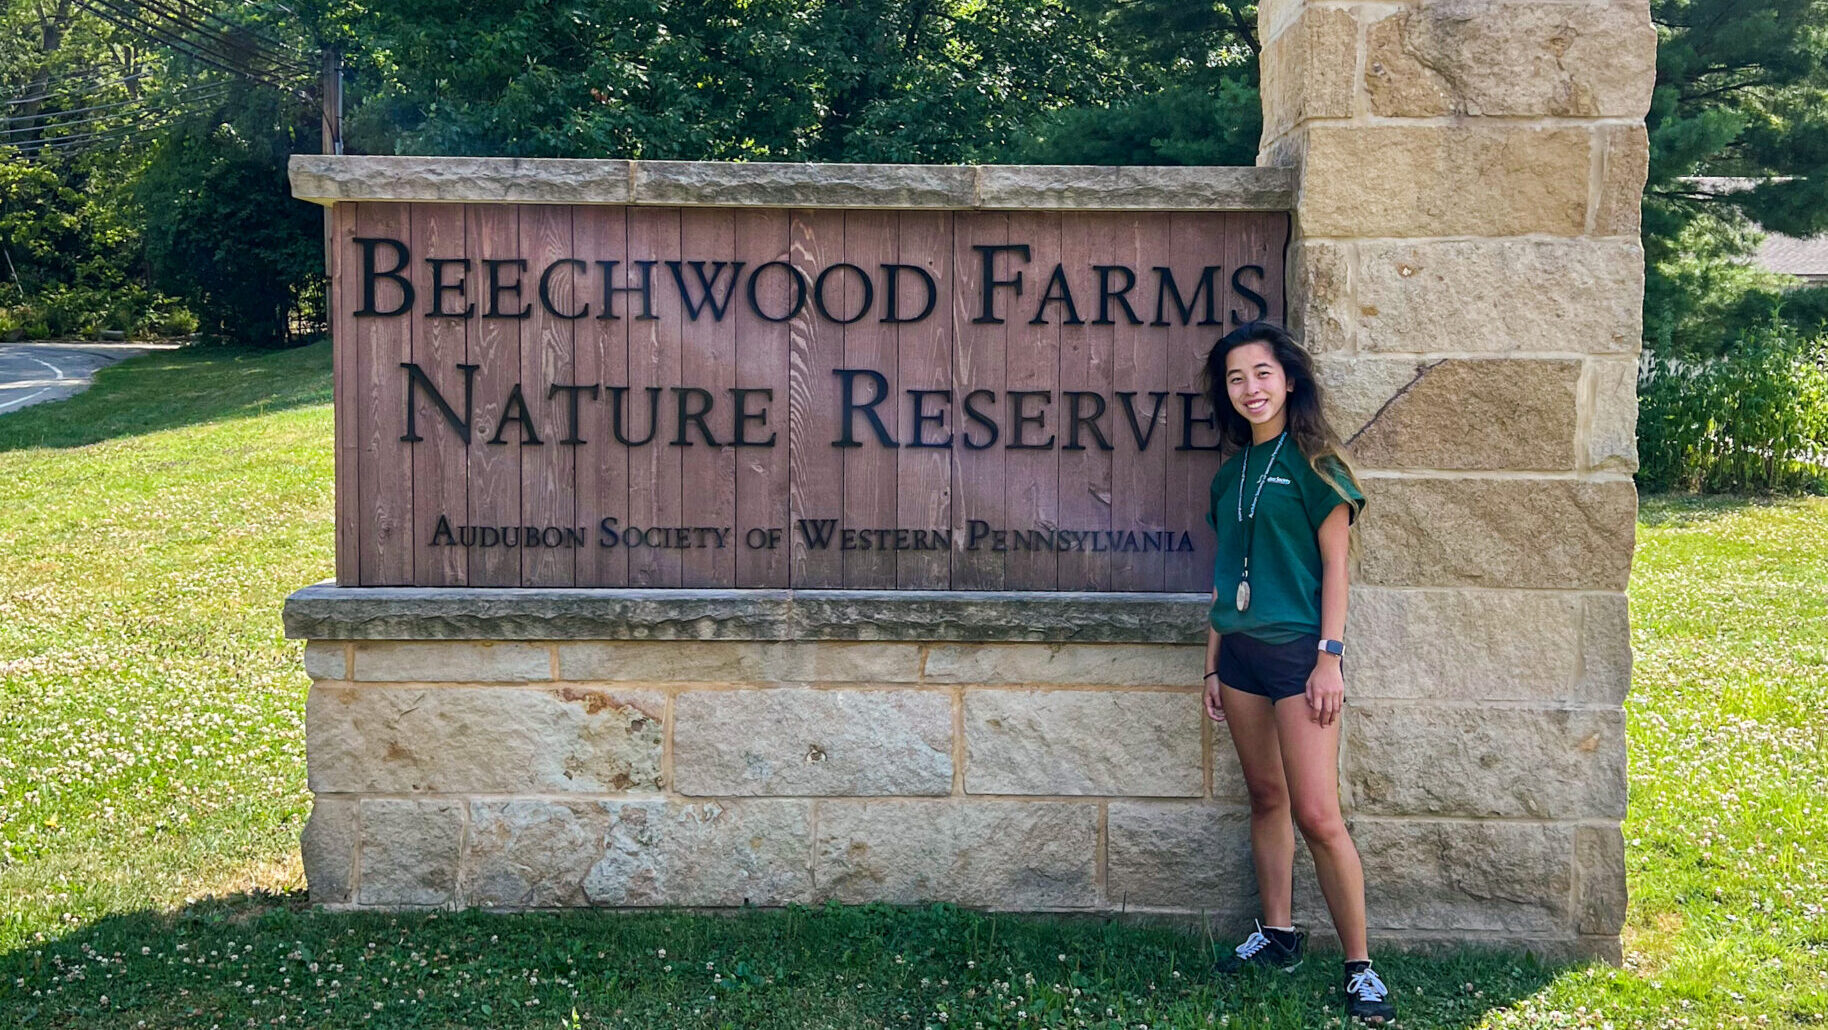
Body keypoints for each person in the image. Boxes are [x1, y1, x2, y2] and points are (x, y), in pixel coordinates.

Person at [1199, 321, 1394, 1025]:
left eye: (1261, 374)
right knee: (1264, 797)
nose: (1250, 389)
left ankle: (1361, 968)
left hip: (1300, 659)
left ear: (1288, 380)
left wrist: (1329, 659)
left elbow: (1337, 567)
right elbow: (1224, 580)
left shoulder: (1319, 466)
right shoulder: (1229, 476)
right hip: (1242, 658)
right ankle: (1277, 935)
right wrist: (1213, 664)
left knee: (1318, 814)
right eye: (1235, 378)